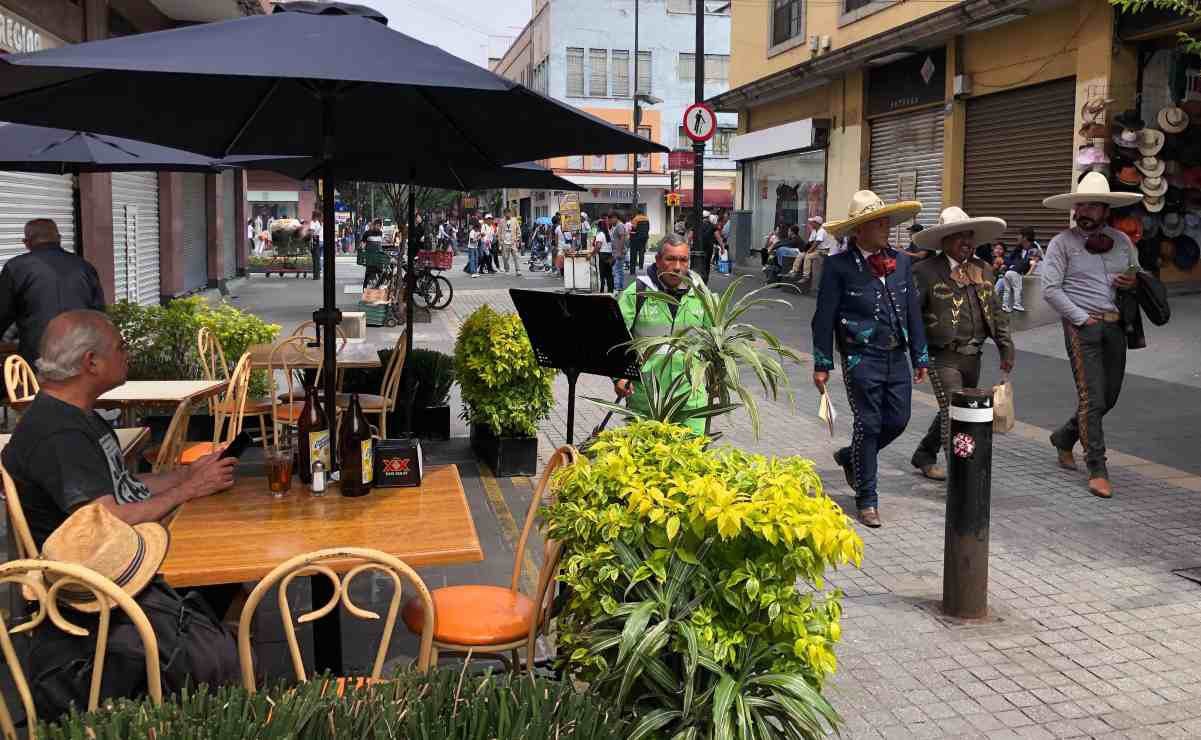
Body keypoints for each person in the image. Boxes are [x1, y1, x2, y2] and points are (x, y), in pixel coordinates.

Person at [812, 190, 929, 528]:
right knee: (870, 423)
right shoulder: (838, 266)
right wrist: (822, 363)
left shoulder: (902, 261)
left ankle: (852, 457)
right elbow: (823, 317)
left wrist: (920, 355)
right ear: (859, 229)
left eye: (886, 222)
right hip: (859, 357)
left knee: (899, 419)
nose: (885, 228)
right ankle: (867, 498)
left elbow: (912, 313)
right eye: (878, 222)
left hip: (897, 354)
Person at [1041, 172, 1143, 499]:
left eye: (1092, 205)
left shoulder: (1122, 241)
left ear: (1105, 209)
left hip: (1115, 326)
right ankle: (1097, 467)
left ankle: (1064, 437)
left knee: (1108, 397)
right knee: (1092, 398)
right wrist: (1081, 318)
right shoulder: (1061, 243)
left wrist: (1134, 281)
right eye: (1081, 204)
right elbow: (1050, 289)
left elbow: (1138, 273)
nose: (1085, 210)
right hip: (1081, 326)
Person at [909, 207, 1015, 481]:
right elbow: (911, 316)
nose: (965, 241)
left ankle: (924, 453)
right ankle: (961, 480)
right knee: (955, 414)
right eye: (958, 236)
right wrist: (916, 354)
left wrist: (1006, 347)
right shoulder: (925, 271)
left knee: (954, 406)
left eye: (969, 235)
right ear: (943, 240)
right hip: (941, 356)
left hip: (973, 356)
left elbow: (997, 312)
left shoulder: (984, 270)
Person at [614, 235, 711, 435]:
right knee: (646, 461)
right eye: (670, 259)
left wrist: (717, 378)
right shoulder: (637, 293)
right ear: (658, 261)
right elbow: (615, 338)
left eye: (683, 260)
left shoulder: (701, 294)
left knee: (689, 460)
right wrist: (618, 378)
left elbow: (714, 340)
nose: (677, 266)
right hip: (647, 400)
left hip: (690, 399)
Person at [0, 219, 105, 367]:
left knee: (36, 390)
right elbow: (99, 315)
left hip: (37, 358)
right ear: (59, 239)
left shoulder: (15, 268)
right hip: (80, 356)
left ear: (26, 242)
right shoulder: (85, 268)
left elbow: (3, 313)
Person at [996, 228, 1041, 312]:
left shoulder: (1034, 248)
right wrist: (1005, 264)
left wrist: (1027, 275)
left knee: (1011, 287)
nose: (1017, 237)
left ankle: (1009, 305)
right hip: (1014, 272)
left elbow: (1034, 264)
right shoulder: (1019, 247)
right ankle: (1002, 305)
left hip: (1033, 278)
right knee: (1002, 283)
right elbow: (1009, 260)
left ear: (1025, 237)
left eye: (1019, 235)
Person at [361, 218, 385, 288]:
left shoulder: (380, 233)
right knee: (368, 273)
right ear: (374, 225)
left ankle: (377, 288)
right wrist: (362, 251)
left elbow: (380, 244)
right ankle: (364, 288)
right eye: (377, 225)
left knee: (381, 273)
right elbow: (363, 243)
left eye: (379, 226)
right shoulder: (367, 233)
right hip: (370, 256)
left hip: (378, 257)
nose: (378, 227)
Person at [592, 216, 614, 293]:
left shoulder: (600, 234)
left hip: (602, 256)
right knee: (609, 274)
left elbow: (598, 246)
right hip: (609, 255)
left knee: (601, 274)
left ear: (599, 226)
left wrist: (592, 254)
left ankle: (601, 290)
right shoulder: (608, 233)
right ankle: (610, 290)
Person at [608, 211, 628, 291]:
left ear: (615, 218)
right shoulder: (618, 226)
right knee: (619, 270)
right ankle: (620, 286)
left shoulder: (619, 226)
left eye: (610, 220)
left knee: (616, 270)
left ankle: (617, 287)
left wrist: (619, 251)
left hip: (618, 252)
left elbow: (622, 238)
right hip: (618, 251)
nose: (610, 222)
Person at [500, 209, 521, 275]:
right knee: (505, 257)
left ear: (510, 213)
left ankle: (518, 270)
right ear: (504, 214)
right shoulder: (501, 221)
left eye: (508, 213)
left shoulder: (514, 220)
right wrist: (500, 242)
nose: (507, 215)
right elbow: (499, 232)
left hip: (513, 241)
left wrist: (517, 240)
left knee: (516, 256)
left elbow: (518, 230)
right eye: (506, 213)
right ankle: (507, 269)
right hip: (505, 242)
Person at [303, 210, 323, 281]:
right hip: (319, 240)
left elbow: (311, 233)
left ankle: (316, 276)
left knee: (315, 259)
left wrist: (308, 237)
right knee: (317, 258)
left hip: (315, 241)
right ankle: (317, 275)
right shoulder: (319, 222)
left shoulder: (313, 222)